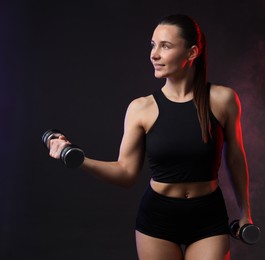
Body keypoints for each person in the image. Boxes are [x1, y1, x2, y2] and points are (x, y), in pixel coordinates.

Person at [48, 14, 253, 260]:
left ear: (192, 52)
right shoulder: (140, 108)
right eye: (153, 45)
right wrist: (76, 158)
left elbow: (236, 159)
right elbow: (125, 173)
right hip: (159, 218)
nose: (154, 55)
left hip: (208, 215)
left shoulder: (224, 100)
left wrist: (245, 213)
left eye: (165, 46)